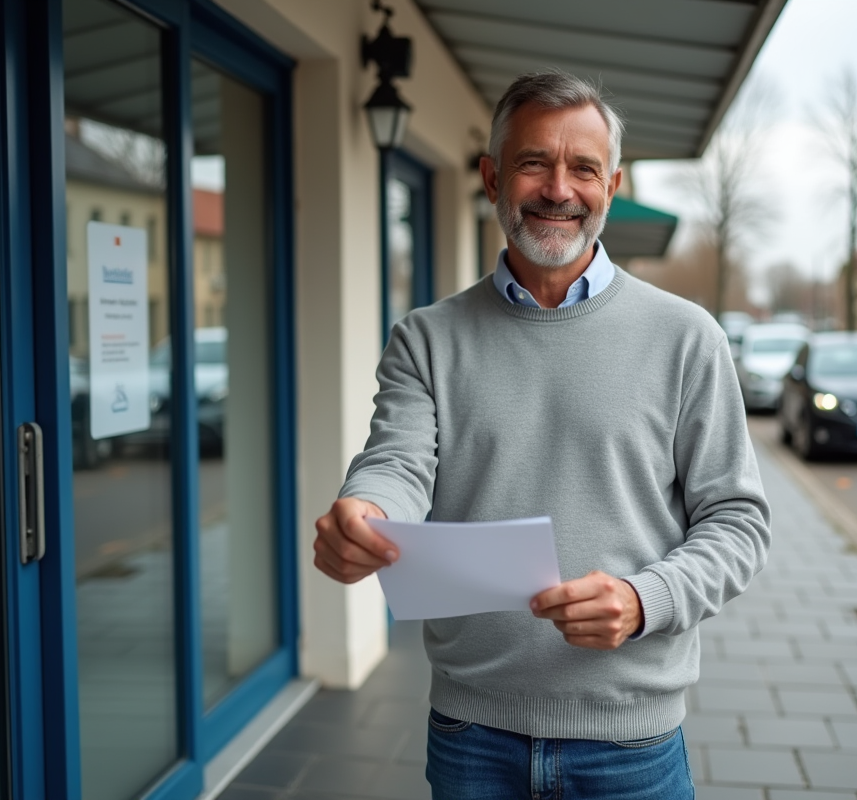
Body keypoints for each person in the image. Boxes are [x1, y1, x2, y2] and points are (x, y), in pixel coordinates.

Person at [313, 71, 771, 799]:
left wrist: (645, 597)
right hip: (471, 739)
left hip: (632, 743)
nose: (559, 188)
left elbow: (738, 522)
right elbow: (397, 461)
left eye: (583, 167)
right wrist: (365, 512)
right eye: (534, 163)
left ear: (611, 185)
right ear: (493, 176)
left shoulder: (687, 338)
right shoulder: (427, 339)